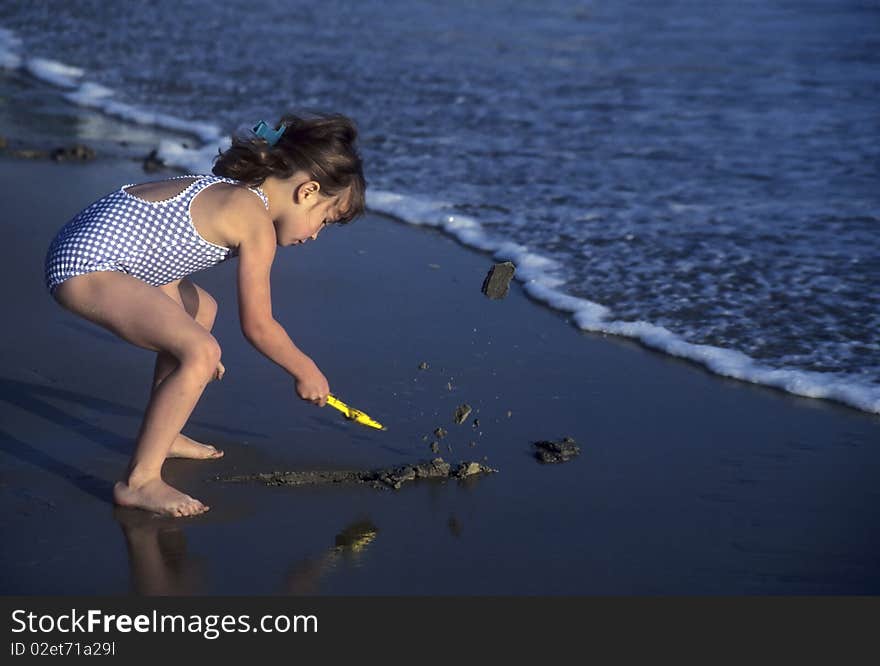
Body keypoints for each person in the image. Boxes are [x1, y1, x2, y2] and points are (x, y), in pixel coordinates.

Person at [44, 113, 366, 517]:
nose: (315, 235)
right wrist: (305, 369)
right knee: (201, 352)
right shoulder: (255, 224)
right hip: (88, 265)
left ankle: (167, 432)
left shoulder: (237, 193)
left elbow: (155, 241)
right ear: (308, 191)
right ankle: (139, 481)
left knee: (201, 312)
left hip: (108, 254)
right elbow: (259, 325)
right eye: (325, 220)